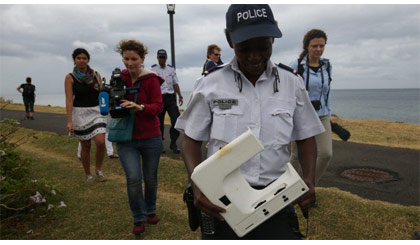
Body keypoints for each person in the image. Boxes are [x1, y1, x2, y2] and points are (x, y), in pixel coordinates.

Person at [175, 4, 325, 240]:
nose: (255, 57)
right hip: (223, 202)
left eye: (263, 47)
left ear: (273, 40)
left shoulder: (291, 83)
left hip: (277, 197)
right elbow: (191, 141)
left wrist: (308, 180)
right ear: (229, 40)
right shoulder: (210, 84)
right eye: (245, 49)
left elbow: (306, 137)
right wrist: (198, 184)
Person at [114, 39, 164, 236]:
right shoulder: (119, 78)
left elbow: (159, 107)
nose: (129, 63)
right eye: (126, 58)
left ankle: (150, 211)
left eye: (134, 59)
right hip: (126, 138)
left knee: (150, 179)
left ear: (142, 59)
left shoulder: (151, 79)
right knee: (134, 178)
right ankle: (139, 218)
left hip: (151, 136)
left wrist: (140, 107)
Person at [289, 29, 333, 185]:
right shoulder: (296, 65)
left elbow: (326, 92)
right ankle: (287, 188)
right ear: (307, 46)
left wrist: (329, 113)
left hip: (322, 115)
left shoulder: (327, 66)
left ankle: (307, 187)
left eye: (322, 46)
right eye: (315, 46)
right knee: (296, 156)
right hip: (301, 116)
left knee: (326, 154)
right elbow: (289, 91)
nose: (318, 49)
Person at [64, 48, 107, 182]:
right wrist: (70, 120)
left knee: (101, 142)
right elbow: (69, 99)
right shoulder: (70, 77)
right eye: (79, 58)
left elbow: (101, 92)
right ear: (74, 60)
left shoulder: (95, 74)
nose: (82, 60)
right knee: (86, 145)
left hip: (96, 111)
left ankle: (98, 169)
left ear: (88, 60)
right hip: (80, 112)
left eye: (84, 58)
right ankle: (88, 174)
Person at [150, 49, 183, 154]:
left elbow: (175, 83)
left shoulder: (171, 69)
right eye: (160, 57)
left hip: (170, 98)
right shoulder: (153, 69)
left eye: (163, 57)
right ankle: (160, 145)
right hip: (158, 98)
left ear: (166, 58)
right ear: (157, 58)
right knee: (159, 123)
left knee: (176, 120)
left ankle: (173, 142)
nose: (161, 59)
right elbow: (150, 86)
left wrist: (180, 96)